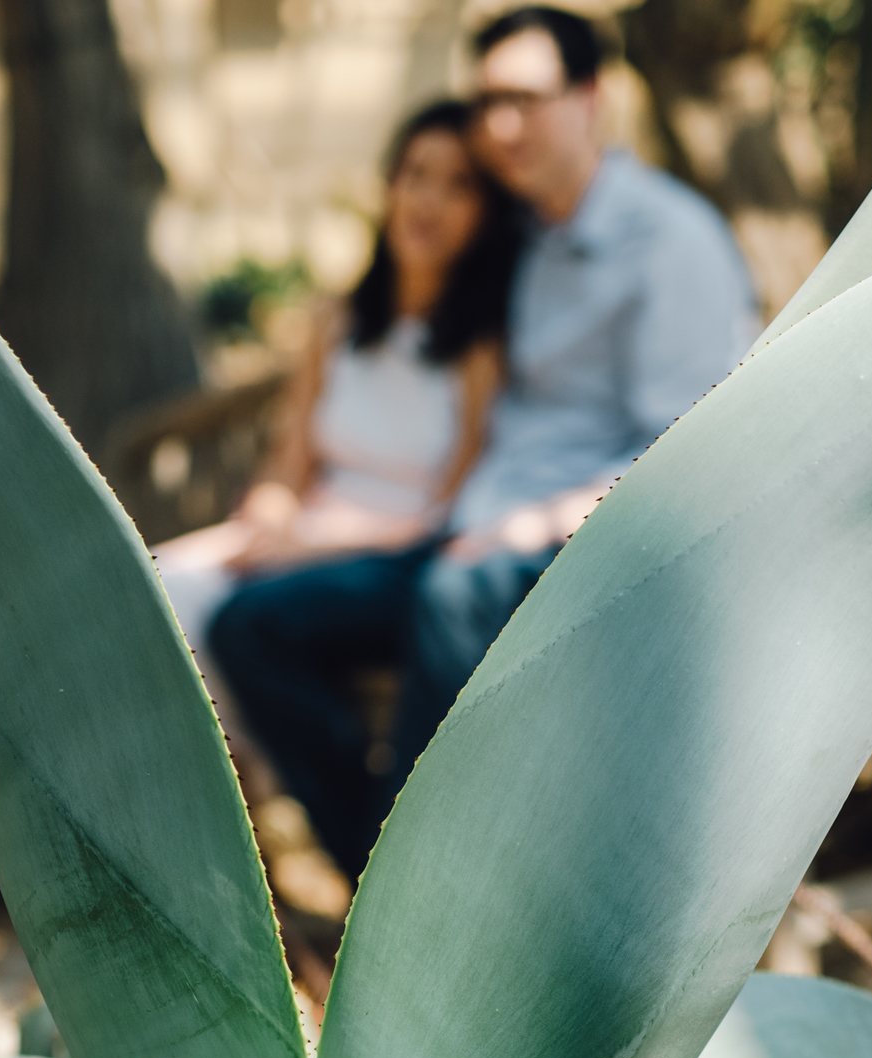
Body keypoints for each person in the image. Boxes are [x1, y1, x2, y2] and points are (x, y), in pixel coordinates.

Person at [211, 5, 756, 879]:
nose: (500, 127)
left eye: (526, 100)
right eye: (486, 102)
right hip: (463, 533)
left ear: (592, 100)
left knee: (456, 596)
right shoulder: (520, 234)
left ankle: (411, 889)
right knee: (255, 624)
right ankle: (385, 872)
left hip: (586, 551)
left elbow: (694, 448)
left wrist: (542, 523)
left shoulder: (670, 242)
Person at [153, 100, 522, 653]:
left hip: (389, 559)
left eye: (458, 186)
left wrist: (304, 548)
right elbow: (289, 459)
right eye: (415, 175)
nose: (428, 201)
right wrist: (271, 514)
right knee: (154, 587)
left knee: (229, 622)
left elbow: (449, 509)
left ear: (486, 213)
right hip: (303, 529)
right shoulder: (336, 320)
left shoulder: (480, 349)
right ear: (389, 187)